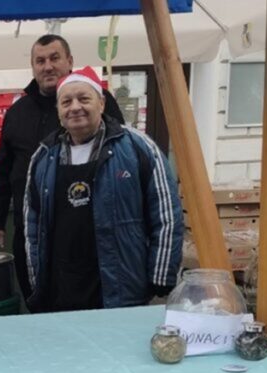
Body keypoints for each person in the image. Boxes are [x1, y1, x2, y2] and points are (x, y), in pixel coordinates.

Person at [24, 66, 182, 313]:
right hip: (61, 287)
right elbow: (32, 225)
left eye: (84, 99)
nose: (75, 107)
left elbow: (166, 215)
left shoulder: (137, 147)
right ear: (58, 110)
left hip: (120, 286)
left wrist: (161, 275)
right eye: (66, 102)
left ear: (102, 103)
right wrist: (37, 279)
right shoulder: (44, 156)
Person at [0, 34, 124, 299]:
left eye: (54, 58)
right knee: (36, 296)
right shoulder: (17, 112)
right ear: (33, 66)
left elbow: (120, 154)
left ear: (69, 61)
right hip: (31, 229)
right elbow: (2, 171)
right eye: (40, 61)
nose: (47, 66)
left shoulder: (96, 101)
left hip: (88, 229)